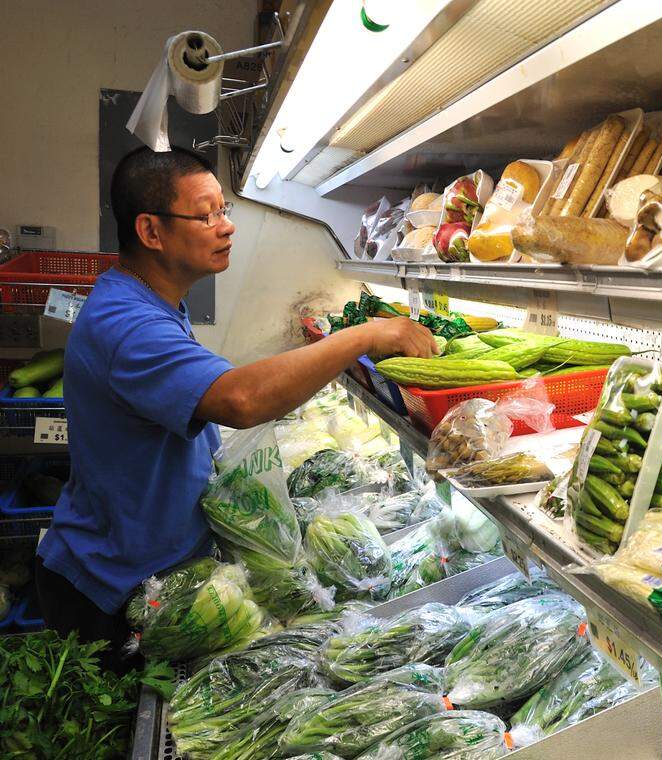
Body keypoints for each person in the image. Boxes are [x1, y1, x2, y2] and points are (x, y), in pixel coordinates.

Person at [35, 146, 437, 669]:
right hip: (113, 590)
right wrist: (366, 335)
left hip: (147, 572)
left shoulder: (148, 303)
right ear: (151, 232)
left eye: (225, 210)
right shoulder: (127, 326)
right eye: (206, 215)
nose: (226, 227)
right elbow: (242, 399)